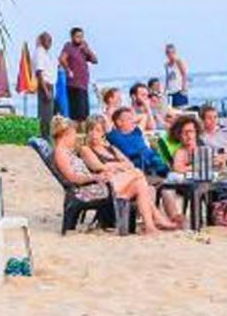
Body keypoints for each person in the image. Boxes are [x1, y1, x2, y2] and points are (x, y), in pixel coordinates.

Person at [51, 117, 180, 233]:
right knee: (138, 173)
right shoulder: (60, 153)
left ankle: (150, 226)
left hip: (99, 185)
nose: (75, 138)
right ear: (65, 135)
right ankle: (157, 219)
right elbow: (73, 178)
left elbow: (126, 163)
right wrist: (94, 177)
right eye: (73, 134)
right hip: (91, 189)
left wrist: (102, 174)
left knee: (140, 184)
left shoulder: (66, 152)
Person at [106, 107, 169, 176]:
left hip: (152, 156)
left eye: (132, 118)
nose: (133, 121)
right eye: (129, 119)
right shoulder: (114, 135)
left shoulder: (136, 132)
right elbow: (106, 126)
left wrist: (130, 118)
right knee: (163, 163)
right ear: (119, 122)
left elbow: (144, 116)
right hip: (140, 160)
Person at [58, 27, 97, 121]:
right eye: (77, 36)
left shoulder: (84, 47)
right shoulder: (68, 46)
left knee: (85, 112)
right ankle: (77, 131)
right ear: (72, 37)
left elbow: (95, 60)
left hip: (83, 83)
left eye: (81, 36)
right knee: (77, 112)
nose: (80, 39)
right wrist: (68, 70)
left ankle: (83, 130)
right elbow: (61, 59)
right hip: (74, 83)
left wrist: (87, 50)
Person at [33, 32, 55, 138]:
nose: (50, 43)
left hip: (49, 85)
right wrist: (46, 91)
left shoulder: (45, 53)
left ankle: (46, 136)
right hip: (45, 85)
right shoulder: (39, 52)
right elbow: (39, 73)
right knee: (45, 115)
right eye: (48, 40)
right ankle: (44, 136)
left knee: (49, 114)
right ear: (42, 40)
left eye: (51, 40)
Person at [163, 44, 189, 108]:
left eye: (172, 52)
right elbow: (167, 78)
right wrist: (165, 90)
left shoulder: (178, 61)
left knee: (181, 108)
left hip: (179, 90)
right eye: (168, 53)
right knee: (171, 109)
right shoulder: (166, 64)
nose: (170, 54)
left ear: (175, 52)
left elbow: (184, 74)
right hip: (170, 90)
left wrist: (184, 88)